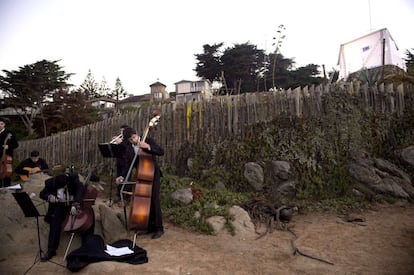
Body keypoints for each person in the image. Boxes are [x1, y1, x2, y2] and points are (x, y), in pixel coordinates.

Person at [119, 123, 164, 239]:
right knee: (144, 202)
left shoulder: (147, 140)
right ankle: (148, 227)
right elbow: (128, 164)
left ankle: (159, 228)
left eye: (133, 138)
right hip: (141, 175)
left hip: (153, 174)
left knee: (154, 200)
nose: (133, 141)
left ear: (136, 134)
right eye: (130, 139)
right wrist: (122, 177)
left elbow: (160, 151)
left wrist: (148, 147)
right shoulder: (129, 148)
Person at [39, 172, 94, 261]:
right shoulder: (50, 183)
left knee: (88, 217)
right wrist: (49, 197)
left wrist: (76, 203)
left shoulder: (73, 179)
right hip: (59, 205)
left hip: (73, 204)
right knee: (55, 221)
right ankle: (51, 250)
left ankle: (87, 246)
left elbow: (80, 190)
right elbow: (42, 194)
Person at [113, 124, 130, 203]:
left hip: (126, 161)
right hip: (119, 160)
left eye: (122, 131)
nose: (121, 132)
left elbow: (127, 148)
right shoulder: (121, 139)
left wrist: (120, 143)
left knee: (126, 177)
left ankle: (127, 196)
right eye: (121, 130)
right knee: (118, 177)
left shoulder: (128, 139)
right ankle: (119, 195)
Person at [0, 117, 19, 187]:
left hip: (6, 157)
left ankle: (6, 187)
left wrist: (8, 146)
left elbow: (16, 144)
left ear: (4, 124)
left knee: (6, 173)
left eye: (1, 124)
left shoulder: (10, 132)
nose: (0, 125)